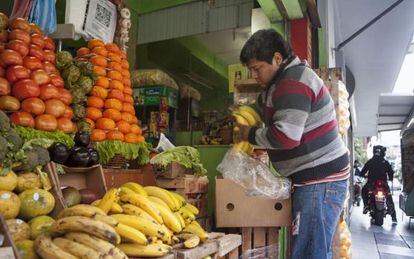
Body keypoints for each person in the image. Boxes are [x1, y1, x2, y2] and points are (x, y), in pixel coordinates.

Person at [236, 29, 349, 259]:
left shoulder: (293, 82)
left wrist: (249, 134)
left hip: (320, 181)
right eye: (251, 70)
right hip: (313, 180)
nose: (254, 74)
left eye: (257, 68)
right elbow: (263, 109)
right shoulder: (278, 83)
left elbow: (286, 137)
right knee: (308, 249)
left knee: (310, 252)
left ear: (277, 59)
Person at [360, 145, 397, 222]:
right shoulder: (385, 162)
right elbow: (391, 172)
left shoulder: (370, 161)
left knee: (363, 191)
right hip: (383, 184)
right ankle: (394, 217)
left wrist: (363, 175)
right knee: (389, 197)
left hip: (371, 183)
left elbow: (362, 172)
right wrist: (390, 178)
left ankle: (366, 205)